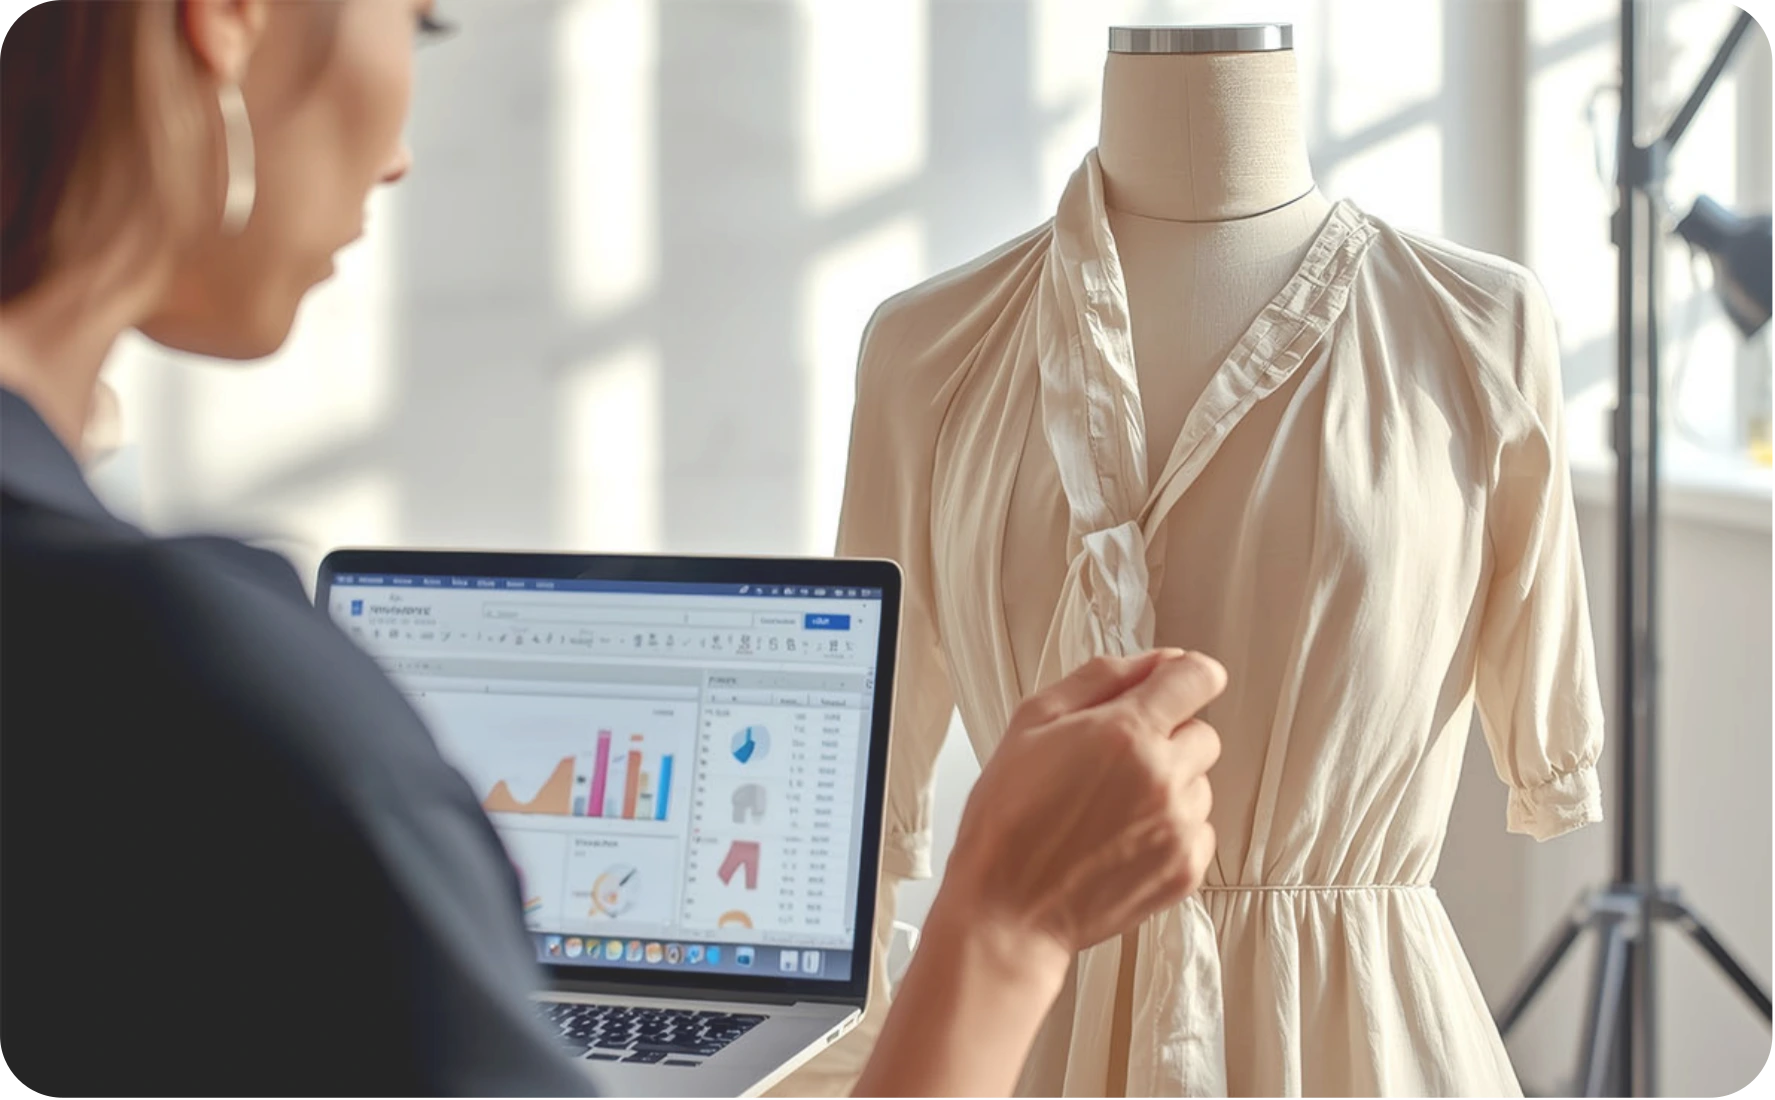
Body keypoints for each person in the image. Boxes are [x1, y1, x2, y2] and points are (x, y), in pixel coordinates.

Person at [0, 2, 1226, 1097]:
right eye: (419, 22)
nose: (400, 154)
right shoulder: (184, 680)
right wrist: (1005, 923)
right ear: (228, 16)